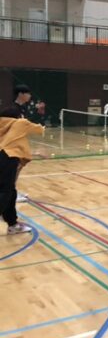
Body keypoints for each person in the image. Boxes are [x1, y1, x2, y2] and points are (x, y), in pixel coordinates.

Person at [0, 106, 44, 234]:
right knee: (6, 191)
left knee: (11, 192)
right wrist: (39, 114)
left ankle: (12, 224)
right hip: (8, 158)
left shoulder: (2, 123)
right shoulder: (20, 123)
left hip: (4, 156)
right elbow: (39, 129)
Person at [6, 85, 31, 203]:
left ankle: (13, 190)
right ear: (21, 94)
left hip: (19, 142)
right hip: (11, 144)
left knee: (19, 167)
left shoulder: (23, 109)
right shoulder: (12, 110)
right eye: (27, 93)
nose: (29, 96)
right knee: (12, 169)